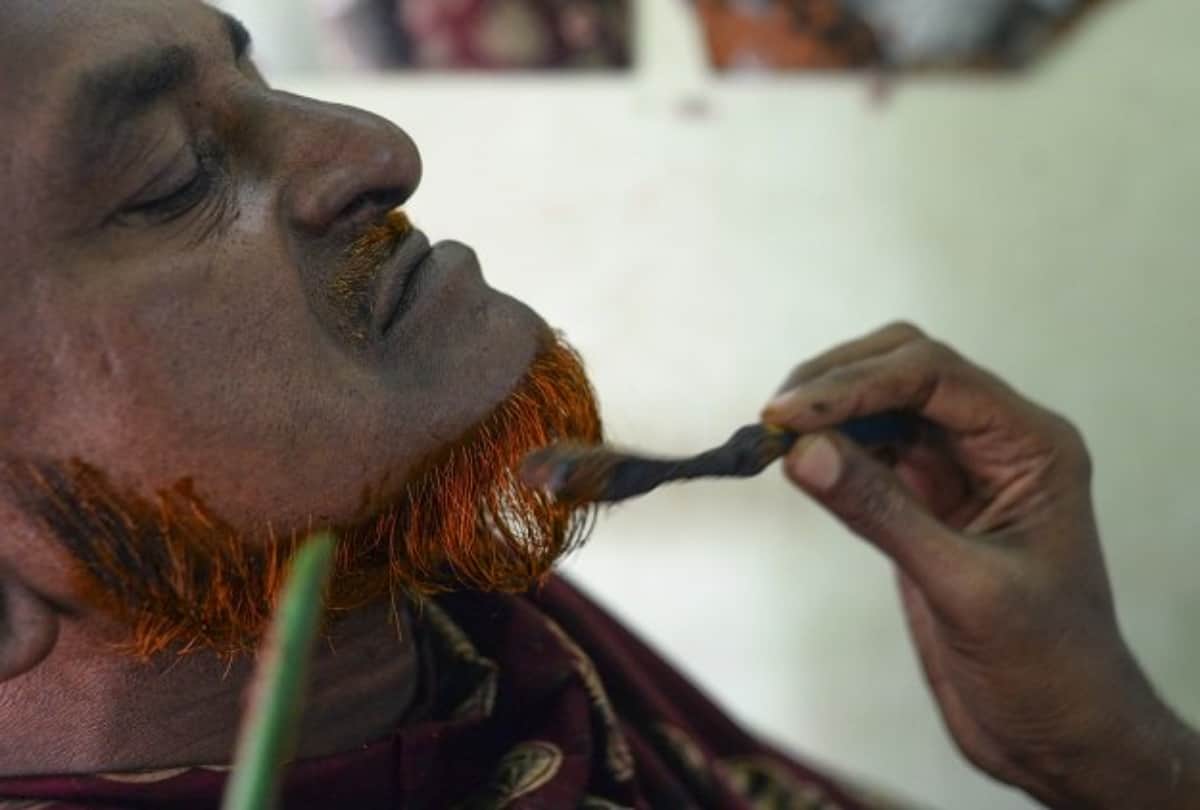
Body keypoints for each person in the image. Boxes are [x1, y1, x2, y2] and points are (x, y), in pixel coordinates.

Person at [0, 2, 1195, 808]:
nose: (377, 148)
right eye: (168, 178)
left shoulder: (461, 603)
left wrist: (1118, 758)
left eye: (258, 76)